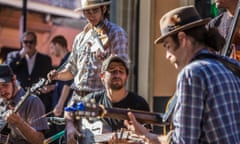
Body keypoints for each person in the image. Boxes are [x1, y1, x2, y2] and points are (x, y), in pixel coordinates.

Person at [124, 6, 240, 144]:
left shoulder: (192, 74)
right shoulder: (231, 66)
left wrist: (151, 139)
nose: (167, 56)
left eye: (167, 46)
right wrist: (150, 137)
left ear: (182, 38)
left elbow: (183, 142)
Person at [65, 55, 150, 144]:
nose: (117, 75)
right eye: (112, 71)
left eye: (121, 71)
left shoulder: (139, 103)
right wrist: (70, 126)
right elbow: (70, 108)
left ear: (126, 77)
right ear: (102, 76)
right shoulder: (94, 99)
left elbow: (146, 138)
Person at [5, 31, 54, 113]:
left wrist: (49, 87)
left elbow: (50, 78)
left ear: (35, 43)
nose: (28, 44)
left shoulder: (45, 59)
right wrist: (21, 55)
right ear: (22, 43)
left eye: (31, 42)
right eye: (25, 42)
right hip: (19, 99)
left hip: (38, 100)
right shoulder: (13, 56)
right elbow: (9, 70)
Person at [0, 64, 49, 144]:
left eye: (5, 85)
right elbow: (3, 138)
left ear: (14, 79)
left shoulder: (33, 102)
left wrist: (19, 122)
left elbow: (39, 141)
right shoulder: (1, 103)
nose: (2, 91)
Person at [49, 35, 73, 117]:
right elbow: (62, 83)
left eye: (52, 47)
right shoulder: (63, 61)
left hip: (65, 107)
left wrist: (60, 104)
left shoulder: (69, 59)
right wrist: (51, 87)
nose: (51, 52)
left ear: (57, 45)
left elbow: (68, 84)